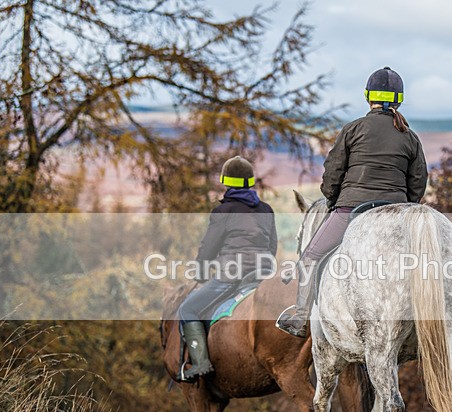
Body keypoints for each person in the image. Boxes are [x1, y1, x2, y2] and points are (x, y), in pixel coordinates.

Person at [276, 66, 428, 337]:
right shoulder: (410, 137)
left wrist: (333, 200)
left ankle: (300, 319)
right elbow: (418, 183)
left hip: (351, 209)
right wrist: (404, 206)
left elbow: (332, 174)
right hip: (396, 213)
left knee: (310, 257)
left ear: (368, 97)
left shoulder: (353, 129)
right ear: (399, 100)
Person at [176, 156, 278, 382]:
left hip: (232, 277)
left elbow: (208, 249)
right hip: (262, 276)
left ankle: (200, 364)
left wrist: (201, 273)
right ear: (250, 181)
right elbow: (272, 247)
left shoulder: (223, 212)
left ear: (226, 182)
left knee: (187, 310)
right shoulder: (266, 209)